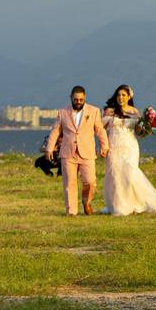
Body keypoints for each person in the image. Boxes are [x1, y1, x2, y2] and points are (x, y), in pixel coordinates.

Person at [45, 86, 109, 216]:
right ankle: (71, 211)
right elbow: (56, 130)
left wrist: (104, 146)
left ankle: (86, 201)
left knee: (90, 181)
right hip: (68, 152)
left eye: (81, 99)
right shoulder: (62, 112)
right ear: (71, 98)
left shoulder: (94, 111)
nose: (78, 102)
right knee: (69, 183)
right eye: (76, 99)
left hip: (87, 152)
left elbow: (100, 130)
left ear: (85, 98)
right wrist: (49, 148)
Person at [101, 84, 156, 216]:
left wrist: (145, 126)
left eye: (123, 95)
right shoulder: (109, 112)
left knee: (129, 174)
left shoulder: (135, 112)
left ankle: (134, 203)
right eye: (118, 95)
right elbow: (100, 129)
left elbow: (139, 133)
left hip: (130, 147)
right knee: (115, 175)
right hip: (114, 146)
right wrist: (103, 146)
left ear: (129, 96)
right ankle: (119, 206)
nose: (120, 97)